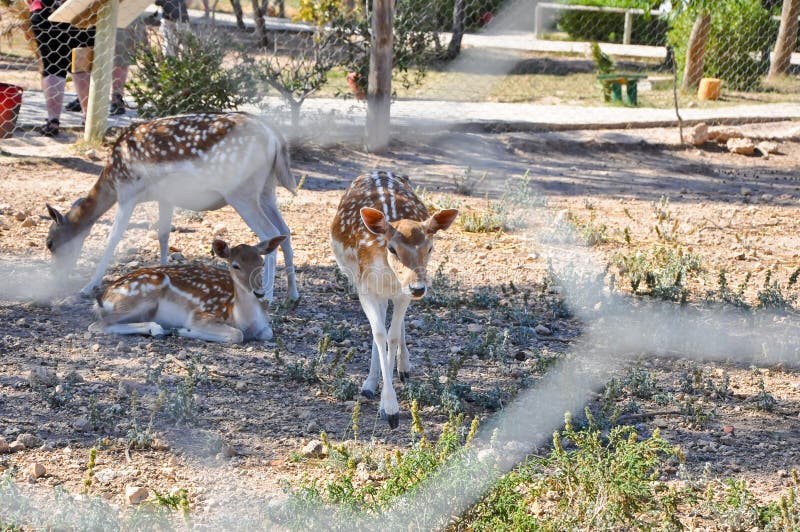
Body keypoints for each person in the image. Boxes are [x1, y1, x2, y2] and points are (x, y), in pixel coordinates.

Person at [28, 0, 93, 136]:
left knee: (53, 66)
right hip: (81, 9)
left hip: (46, 10)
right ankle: (89, 119)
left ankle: (53, 121)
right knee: (81, 65)